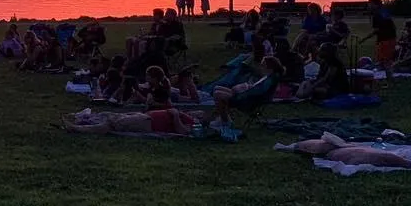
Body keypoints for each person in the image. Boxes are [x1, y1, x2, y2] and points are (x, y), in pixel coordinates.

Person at [210, 56, 284, 127]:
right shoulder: (267, 76)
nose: (260, 67)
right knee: (217, 88)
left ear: (269, 67)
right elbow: (255, 88)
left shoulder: (269, 80)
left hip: (247, 101)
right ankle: (223, 117)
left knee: (218, 94)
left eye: (263, 65)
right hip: (245, 96)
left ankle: (225, 121)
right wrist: (246, 87)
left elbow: (257, 91)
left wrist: (241, 91)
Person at [63, 107, 196, 135]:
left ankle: (77, 129)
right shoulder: (189, 116)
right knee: (110, 115)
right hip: (144, 116)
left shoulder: (194, 124)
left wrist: (176, 115)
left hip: (147, 122)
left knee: (111, 124)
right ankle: (80, 121)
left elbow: (183, 132)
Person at [359, 0, 398, 66]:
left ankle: (387, 74)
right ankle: (386, 73)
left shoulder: (377, 15)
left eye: (370, 4)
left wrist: (364, 39)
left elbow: (376, 30)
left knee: (385, 60)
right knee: (385, 59)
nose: (368, 6)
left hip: (385, 40)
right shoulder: (384, 12)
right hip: (390, 38)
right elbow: (392, 26)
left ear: (375, 5)